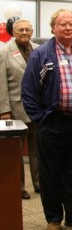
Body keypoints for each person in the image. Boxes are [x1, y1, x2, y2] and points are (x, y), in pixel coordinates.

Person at [21, 9, 72, 230]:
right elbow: (28, 91)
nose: (68, 28)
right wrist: (41, 118)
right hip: (52, 121)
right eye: (63, 24)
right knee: (51, 173)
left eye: (71, 24)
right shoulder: (41, 54)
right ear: (53, 27)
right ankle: (53, 219)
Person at [0, 19, 40, 200]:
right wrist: (4, 110)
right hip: (15, 109)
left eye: (28, 30)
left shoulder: (38, 49)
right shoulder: (4, 51)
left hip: (37, 109)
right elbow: (1, 84)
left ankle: (39, 183)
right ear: (13, 32)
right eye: (21, 30)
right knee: (15, 152)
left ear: (32, 32)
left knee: (37, 148)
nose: (25, 32)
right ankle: (19, 186)